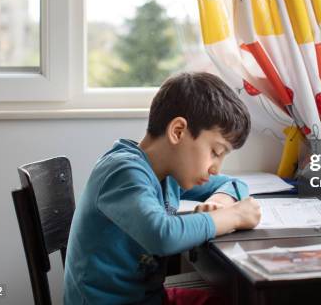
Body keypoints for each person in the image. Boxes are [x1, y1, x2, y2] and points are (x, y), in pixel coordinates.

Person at [64, 72, 261, 304]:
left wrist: (220, 203)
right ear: (178, 131)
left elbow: (235, 184)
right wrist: (234, 217)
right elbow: (162, 235)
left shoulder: (167, 174)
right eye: (215, 152)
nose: (216, 168)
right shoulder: (122, 172)